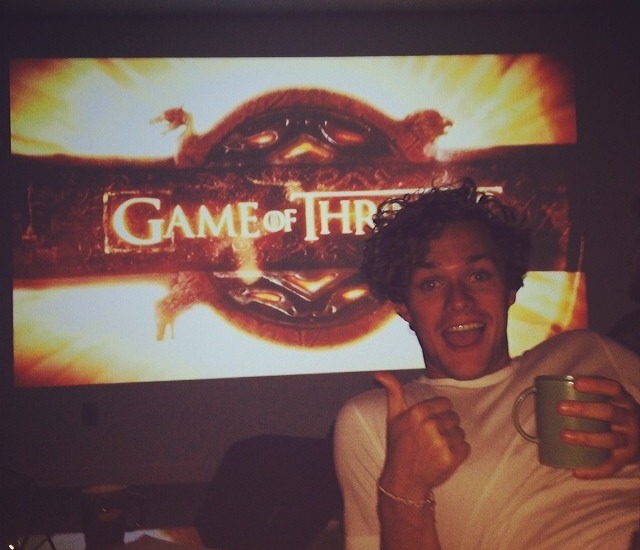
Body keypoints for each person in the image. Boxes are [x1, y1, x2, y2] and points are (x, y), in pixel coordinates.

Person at [333, 179, 640, 550]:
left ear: (509, 289)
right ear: (403, 306)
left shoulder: (587, 350)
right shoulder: (377, 421)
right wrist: (403, 489)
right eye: (431, 283)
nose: (459, 301)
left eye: (478, 275)